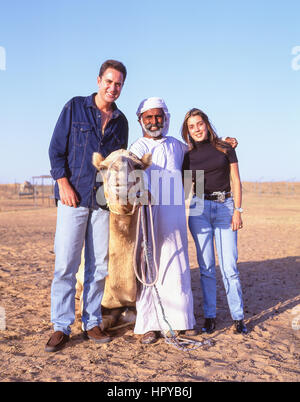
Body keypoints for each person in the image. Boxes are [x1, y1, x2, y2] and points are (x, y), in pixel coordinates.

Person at [46, 60, 128, 352]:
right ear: (98, 80)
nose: (112, 88)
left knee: (99, 266)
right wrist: (63, 184)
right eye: (109, 81)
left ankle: (91, 321)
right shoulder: (75, 107)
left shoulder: (121, 122)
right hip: (73, 197)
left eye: (118, 84)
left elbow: (118, 164)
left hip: (103, 203)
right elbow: (56, 150)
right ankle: (61, 326)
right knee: (66, 264)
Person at [129, 97, 197, 344]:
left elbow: (200, 152)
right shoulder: (135, 149)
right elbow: (128, 174)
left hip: (175, 215)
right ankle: (148, 325)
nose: (154, 121)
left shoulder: (178, 146)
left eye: (158, 116)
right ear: (141, 120)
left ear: (166, 118)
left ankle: (183, 322)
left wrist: (225, 144)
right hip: (148, 215)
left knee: (177, 264)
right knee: (150, 266)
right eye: (148, 117)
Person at [181, 108, 248, 335]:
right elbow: (189, 187)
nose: (197, 129)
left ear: (206, 124)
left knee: (229, 266)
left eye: (199, 124)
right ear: (187, 131)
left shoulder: (224, 147)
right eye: (191, 126)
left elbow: (236, 180)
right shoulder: (188, 156)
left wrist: (237, 211)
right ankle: (210, 317)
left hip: (225, 207)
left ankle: (238, 318)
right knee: (206, 267)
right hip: (199, 208)